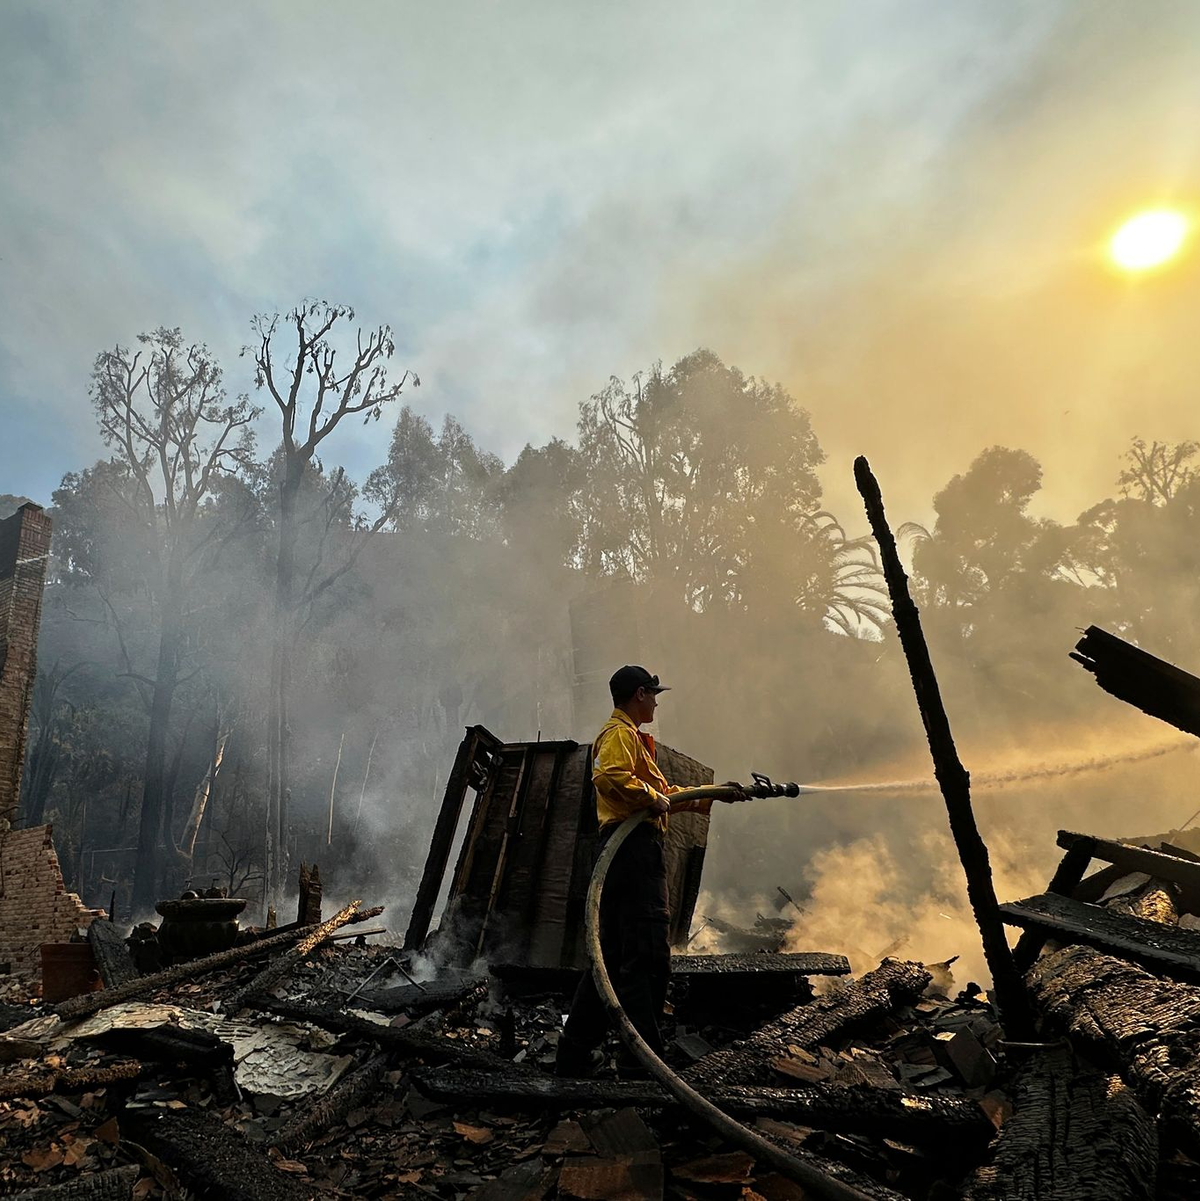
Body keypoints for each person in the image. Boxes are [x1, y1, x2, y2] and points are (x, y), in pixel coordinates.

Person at [555, 665, 726, 1077]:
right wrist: (651, 797)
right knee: (648, 955)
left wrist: (717, 795)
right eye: (652, 693)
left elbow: (662, 795)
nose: (656, 700)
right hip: (632, 852)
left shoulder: (633, 738)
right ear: (637, 695)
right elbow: (609, 776)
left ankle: (574, 1055)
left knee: (612, 958)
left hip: (625, 855)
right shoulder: (619, 735)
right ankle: (643, 1064)